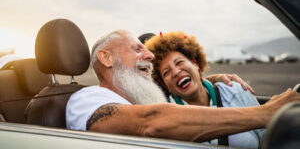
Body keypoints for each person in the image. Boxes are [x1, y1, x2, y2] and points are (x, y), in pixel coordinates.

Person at [66, 29, 300, 143]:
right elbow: (150, 122)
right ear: (106, 58)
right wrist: (267, 113)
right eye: (137, 49)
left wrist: (208, 81)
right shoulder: (87, 98)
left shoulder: (142, 101)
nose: (148, 55)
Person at [145, 31, 264, 148]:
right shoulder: (166, 119)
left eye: (179, 62)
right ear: (166, 85)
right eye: (166, 72)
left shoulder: (236, 91)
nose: (175, 72)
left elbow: (267, 138)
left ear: (195, 64)